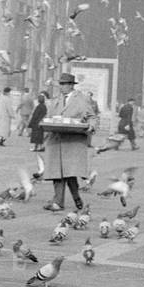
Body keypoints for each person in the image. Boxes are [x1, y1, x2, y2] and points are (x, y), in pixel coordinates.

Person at [43, 74, 96, 211]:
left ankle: (76, 196)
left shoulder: (82, 99)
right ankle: (58, 202)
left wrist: (91, 125)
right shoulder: (57, 99)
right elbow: (49, 116)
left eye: (64, 84)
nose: (61, 87)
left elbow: (91, 116)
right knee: (57, 173)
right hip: (56, 139)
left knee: (70, 173)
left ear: (72, 85)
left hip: (73, 140)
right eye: (60, 84)